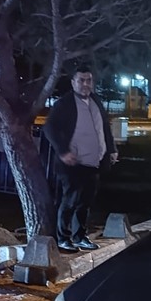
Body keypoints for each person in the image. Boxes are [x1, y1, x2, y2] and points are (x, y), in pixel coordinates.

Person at [43, 63, 118, 253]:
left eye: (89, 80)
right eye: (81, 80)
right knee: (69, 201)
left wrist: (111, 149)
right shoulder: (65, 103)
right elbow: (49, 127)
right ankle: (63, 238)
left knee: (85, 202)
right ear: (73, 82)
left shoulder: (96, 101)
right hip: (72, 164)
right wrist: (63, 151)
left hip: (93, 163)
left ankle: (80, 236)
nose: (85, 84)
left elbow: (105, 127)